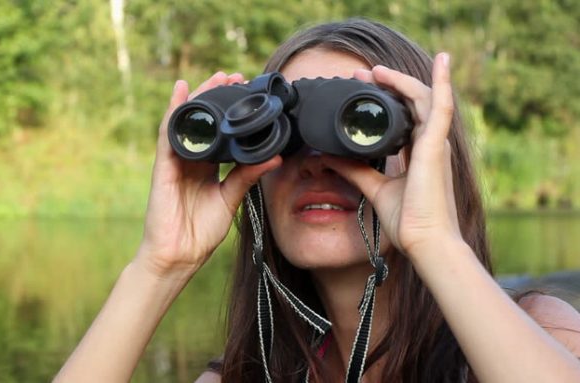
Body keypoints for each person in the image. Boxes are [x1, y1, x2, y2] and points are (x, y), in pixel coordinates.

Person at [54, 19, 580, 382]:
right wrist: (159, 267)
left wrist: (436, 243)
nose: (317, 161)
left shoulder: (542, 331)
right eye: (284, 133)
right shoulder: (248, 376)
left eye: (359, 126)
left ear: (429, 156)